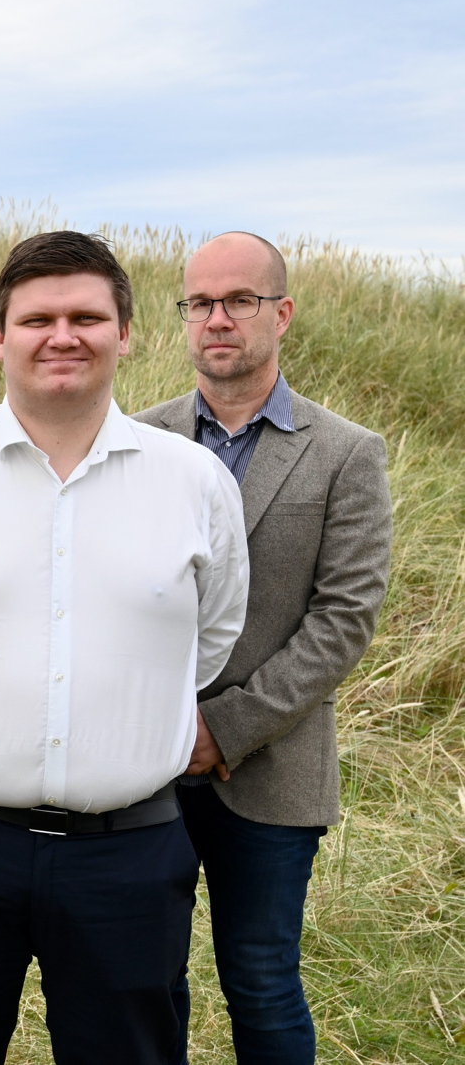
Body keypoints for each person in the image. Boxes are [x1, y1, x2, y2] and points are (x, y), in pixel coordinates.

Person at [0, 231, 252, 1064]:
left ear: (126, 333)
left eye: (86, 316)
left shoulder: (194, 481)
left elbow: (208, 641)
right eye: (37, 317)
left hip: (129, 854)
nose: (62, 335)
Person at [133, 232, 390, 1065]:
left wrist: (227, 728)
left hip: (272, 770)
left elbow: (344, 618)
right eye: (200, 302)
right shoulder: (140, 439)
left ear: (281, 313)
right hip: (143, 764)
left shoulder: (347, 452)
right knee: (143, 977)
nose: (217, 319)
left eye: (239, 300)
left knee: (261, 977)